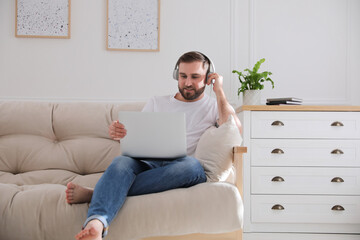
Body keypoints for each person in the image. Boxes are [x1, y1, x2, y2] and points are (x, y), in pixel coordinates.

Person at [67, 51, 242, 240]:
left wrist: (220, 91)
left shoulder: (213, 105)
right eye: (183, 76)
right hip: (148, 163)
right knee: (121, 162)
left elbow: (234, 129)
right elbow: (136, 135)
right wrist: (120, 133)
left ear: (208, 79)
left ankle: (99, 192)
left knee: (192, 166)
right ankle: (96, 223)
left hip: (183, 167)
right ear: (177, 75)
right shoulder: (157, 102)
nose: (188, 82)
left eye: (195, 77)